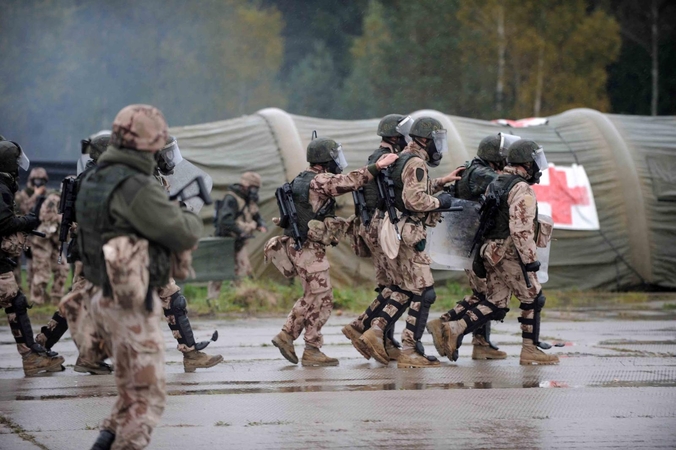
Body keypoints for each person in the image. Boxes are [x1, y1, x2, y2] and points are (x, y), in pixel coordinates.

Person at [77, 105, 203, 450]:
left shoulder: (96, 178)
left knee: (130, 392)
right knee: (147, 397)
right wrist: (186, 213)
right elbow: (182, 233)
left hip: (104, 295)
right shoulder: (133, 184)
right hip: (128, 303)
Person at [268, 137, 398, 367]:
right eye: (335, 155)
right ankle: (309, 347)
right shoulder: (319, 180)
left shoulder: (302, 178)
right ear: (325, 159)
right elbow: (347, 182)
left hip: (300, 246)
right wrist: (376, 167)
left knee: (312, 296)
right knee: (322, 299)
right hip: (308, 250)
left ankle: (289, 336)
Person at [441, 138, 559, 365]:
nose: (538, 168)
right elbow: (520, 229)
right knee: (533, 297)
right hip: (508, 252)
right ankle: (530, 349)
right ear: (526, 163)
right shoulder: (520, 188)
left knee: (496, 302)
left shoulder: (498, 182)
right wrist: (530, 260)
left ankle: (455, 328)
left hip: (489, 251)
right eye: (535, 162)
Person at [359, 117, 462, 368]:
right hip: (408, 231)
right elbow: (415, 200)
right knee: (424, 292)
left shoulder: (401, 157)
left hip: (393, 229)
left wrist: (441, 182)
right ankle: (410, 350)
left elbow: (409, 189)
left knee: (405, 289)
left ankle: (376, 330)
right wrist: (442, 202)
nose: (438, 146)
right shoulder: (415, 162)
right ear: (425, 140)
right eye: (436, 140)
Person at [426, 134, 508, 361]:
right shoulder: (482, 173)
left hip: (472, 242)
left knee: (482, 294)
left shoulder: (474, 169)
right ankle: (444, 324)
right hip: (476, 243)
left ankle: (480, 344)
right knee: (489, 297)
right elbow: (506, 187)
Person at [341, 114, 409, 361]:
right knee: (399, 286)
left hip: (373, 225)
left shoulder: (380, 157)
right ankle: (363, 326)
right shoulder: (385, 159)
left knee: (389, 285)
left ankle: (382, 338)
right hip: (381, 225)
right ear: (395, 136)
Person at [154, 136, 223, 373]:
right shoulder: (139, 180)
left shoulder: (155, 177)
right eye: (166, 154)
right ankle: (37, 349)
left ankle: (191, 353)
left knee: (173, 299)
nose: (170, 159)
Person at [0, 139, 65, 376]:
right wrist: (28, 221)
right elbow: (3, 222)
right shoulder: (2, 188)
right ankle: (31, 356)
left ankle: (31, 355)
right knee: (13, 298)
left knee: (14, 299)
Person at [55, 132, 114, 375]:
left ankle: (42, 344)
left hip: (88, 247)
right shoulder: (98, 177)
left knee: (85, 299)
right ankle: (88, 357)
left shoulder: (89, 174)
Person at [207, 171, 266, 300]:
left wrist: (261, 224)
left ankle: (236, 297)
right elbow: (225, 221)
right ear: (245, 186)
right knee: (219, 272)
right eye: (253, 188)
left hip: (239, 242)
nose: (255, 191)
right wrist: (241, 231)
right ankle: (212, 300)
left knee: (243, 271)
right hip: (225, 241)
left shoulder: (249, 200)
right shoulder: (231, 198)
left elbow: (256, 214)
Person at [29, 182, 69, 305]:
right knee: (42, 272)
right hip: (43, 241)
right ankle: (37, 300)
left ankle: (56, 298)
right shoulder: (53, 199)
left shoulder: (69, 203)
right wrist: (60, 219)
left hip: (55, 242)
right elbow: (44, 216)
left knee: (63, 268)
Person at [13, 167, 49, 286]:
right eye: (36, 180)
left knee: (35, 261)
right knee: (17, 261)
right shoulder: (23, 195)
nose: (39, 183)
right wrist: (36, 196)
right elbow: (24, 210)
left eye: (42, 180)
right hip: (24, 232)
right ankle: (18, 289)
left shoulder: (46, 194)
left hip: (38, 232)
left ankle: (34, 287)